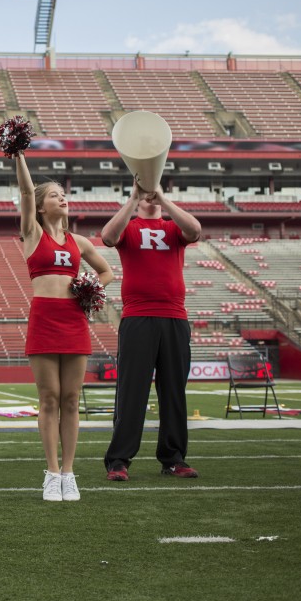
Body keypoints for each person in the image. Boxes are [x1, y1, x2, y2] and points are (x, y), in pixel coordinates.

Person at [14, 154, 112, 501]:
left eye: (64, 194)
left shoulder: (79, 242)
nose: (63, 198)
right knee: (49, 398)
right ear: (40, 207)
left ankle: (69, 473)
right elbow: (26, 191)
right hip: (44, 316)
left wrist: (89, 288)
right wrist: (19, 155)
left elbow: (106, 272)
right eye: (54, 194)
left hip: (73, 319)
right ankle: (51, 472)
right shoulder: (32, 232)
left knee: (71, 400)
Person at [101, 180, 202, 482]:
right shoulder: (129, 226)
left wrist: (164, 199)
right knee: (132, 392)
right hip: (138, 317)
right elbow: (108, 237)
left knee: (174, 393)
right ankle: (119, 460)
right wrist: (133, 199)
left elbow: (195, 231)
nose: (150, 195)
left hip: (174, 316)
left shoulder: (172, 227)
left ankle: (173, 458)